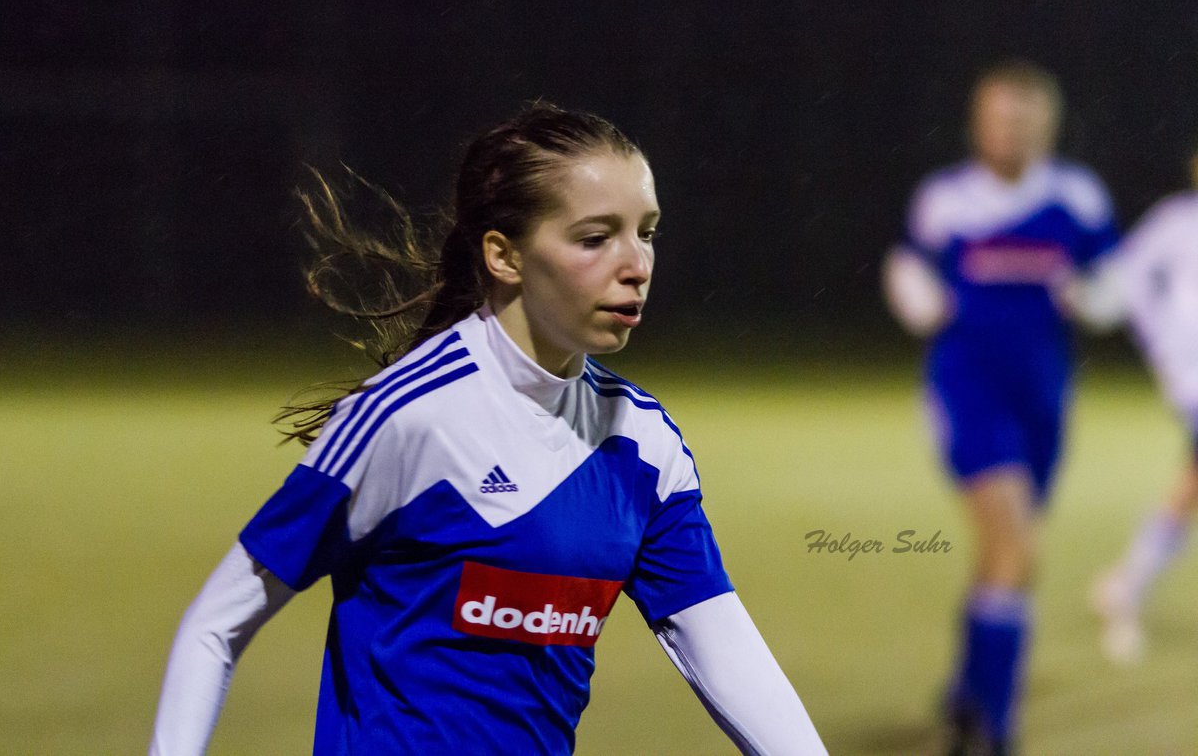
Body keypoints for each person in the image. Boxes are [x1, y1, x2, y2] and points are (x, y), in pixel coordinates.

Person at [149, 102, 826, 755]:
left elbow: (722, 647)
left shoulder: (644, 445)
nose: (637, 265)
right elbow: (216, 625)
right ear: (504, 256)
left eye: (645, 232)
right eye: (595, 238)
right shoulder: (409, 417)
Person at [882, 61, 1119, 754]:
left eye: (1026, 118)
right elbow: (909, 266)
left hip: (1044, 396)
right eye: (1000, 117)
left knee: (1004, 555)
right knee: (1016, 547)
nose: (1012, 130)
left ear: (1048, 124)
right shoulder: (948, 198)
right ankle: (996, 729)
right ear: (978, 124)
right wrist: (919, 298)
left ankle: (965, 693)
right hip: (967, 390)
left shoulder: (1076, 195)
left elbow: (1113, 275)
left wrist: (1100, 297)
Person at [1089, 154, 1198, 664]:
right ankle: (1126, 585)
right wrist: (1163, 349)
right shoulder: (1177, 222)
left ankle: (1125, 583)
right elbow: (1127, 282)